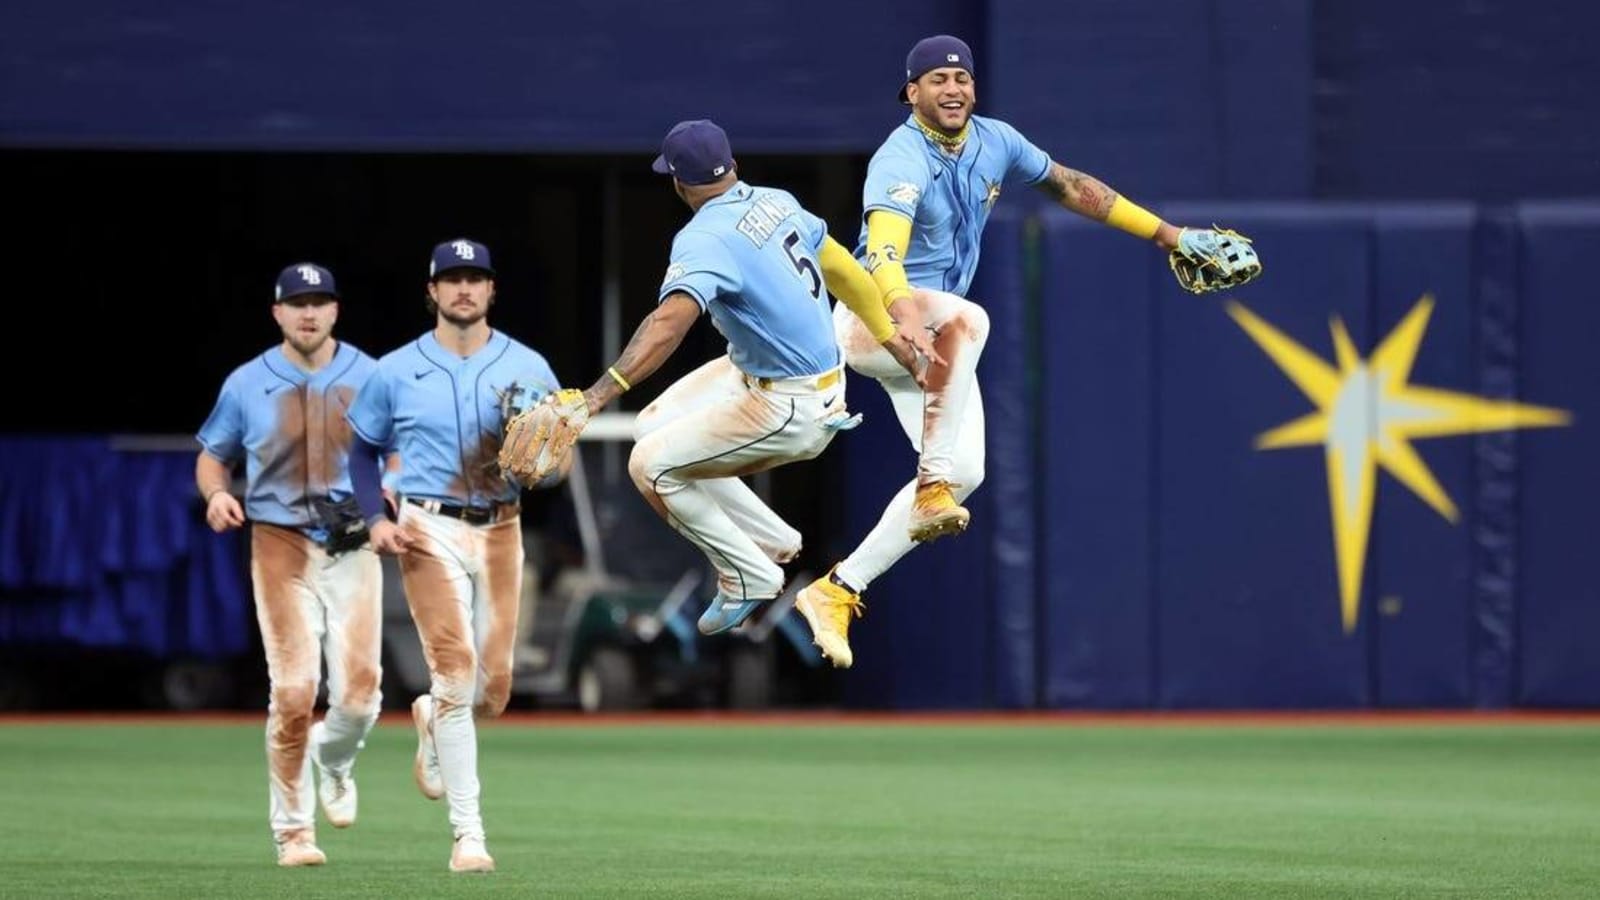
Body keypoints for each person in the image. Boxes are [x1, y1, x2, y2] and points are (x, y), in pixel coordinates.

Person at [801, 35, 1261, 668]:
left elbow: (1070, 186)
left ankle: (837, 588)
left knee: (969, 473)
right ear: (911, 93)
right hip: (874, 318)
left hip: (931, 336)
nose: (953, 88)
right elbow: (882, 248)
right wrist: (899, 310)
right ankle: (930, 484)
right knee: (972, 318)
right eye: (937, 80)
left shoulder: (997, 141)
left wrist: (1168, 234)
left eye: (961, 78)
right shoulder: (899, 159)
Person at [512, 119, 935, 641]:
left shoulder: (703, 239)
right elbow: (845, 269)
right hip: (780, 376)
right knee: (654, 427)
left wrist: (596, 396)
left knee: (650, 467)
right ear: (732, 166)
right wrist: (891, 336)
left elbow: (669, 323)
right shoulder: (776, 200)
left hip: (790, 408)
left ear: (678, 183)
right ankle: (772, 539)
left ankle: (748, 576)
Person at [344, 238, 562, 874]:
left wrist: (549, 461)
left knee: (492, 691)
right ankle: (469, 834)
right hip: (427, 526)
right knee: (454, 670)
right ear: (432, 292)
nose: (464, 289)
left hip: (501, 527)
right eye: (452, 279)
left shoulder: (529, 367)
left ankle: (432, 720)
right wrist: (373, 520)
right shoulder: (393, 370)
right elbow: (361, 452)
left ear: (492, 291)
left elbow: (556, 462)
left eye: (476, 279)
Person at [194, 262, 386, 868]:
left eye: (320, 301)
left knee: (359, 694)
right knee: (295, 690)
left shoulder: (371, 375)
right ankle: (293, 832)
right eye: (297, 302)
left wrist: (396, 499)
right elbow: (212, 455)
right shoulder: (247, 381)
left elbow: (403, 449)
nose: (309, 312)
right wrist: (216, 494)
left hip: (351, 539)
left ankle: (335, 763)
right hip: (279, 540)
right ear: (277, 312)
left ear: (335, 310)